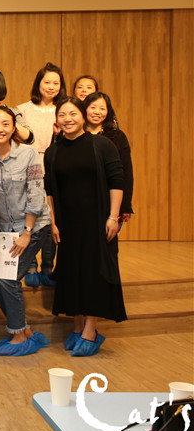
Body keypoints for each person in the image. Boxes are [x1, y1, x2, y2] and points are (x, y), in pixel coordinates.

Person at [44, 97, 126, 357]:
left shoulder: (102, 145)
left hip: (97, 220)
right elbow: (49, 190)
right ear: (57, 120)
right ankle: (77, 326)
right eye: (62, 114)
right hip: (67, 223)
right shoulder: (53, 151)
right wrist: (53, 222)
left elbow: (117, 181)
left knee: (93, 273)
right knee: (71, 273)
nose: (67, 119)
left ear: (82, 116)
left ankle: (91, 330)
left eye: (73, 113)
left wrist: (113, 217)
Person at [0, 106, 52, 356]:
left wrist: (27, 233)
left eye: (5, 124)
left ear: (13, 128)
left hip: (34, 226)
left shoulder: (28, 154)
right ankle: (26, 330)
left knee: (9, 280)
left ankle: (19, 335)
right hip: (5, 231)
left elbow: (35, 193)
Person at [17, 62, 67, 287]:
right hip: (29, 166)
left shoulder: (64, 109)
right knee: (30, 215)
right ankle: (30, 266)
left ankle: (48, 266)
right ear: (38, 83)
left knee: (51, 218)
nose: (51, 86)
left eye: (56, 83)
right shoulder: (23, 109)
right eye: (47, 82)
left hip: (56, 166)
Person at [83, 92, 133, 225]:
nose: (97, 112)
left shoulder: (118, 137)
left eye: (102, 108)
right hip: (82, 200)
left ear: (108, 112)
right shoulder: (75, 135)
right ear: (84, 109)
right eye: (93, 107)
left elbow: (126, 172)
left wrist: (126, 205)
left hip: (110, 200)